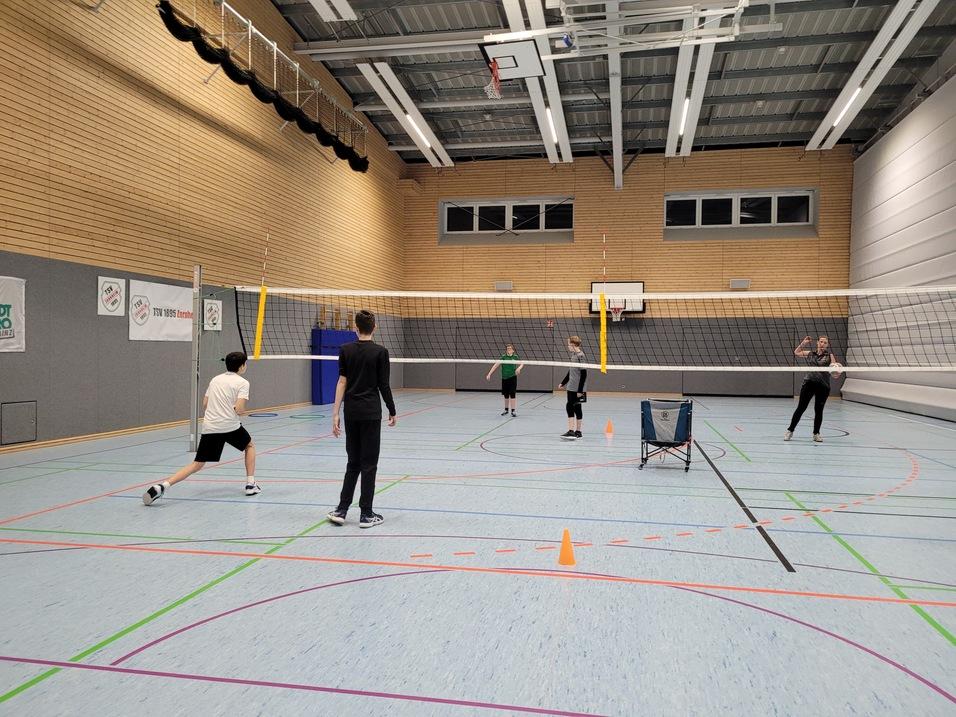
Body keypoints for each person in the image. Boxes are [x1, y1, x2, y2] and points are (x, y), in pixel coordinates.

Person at [143, 351, 257, 505]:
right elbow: (239, 409)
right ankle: (250, 484)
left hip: (210, 426)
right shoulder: (243, 383)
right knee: (249, 446)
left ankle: (162, 486)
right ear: (242, 366)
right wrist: (242, 411)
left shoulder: (215, 380)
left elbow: (205, 404)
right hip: (230, 426)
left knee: (197, 464)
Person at [327, 310, 396, 528]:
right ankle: (366, 514)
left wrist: (335, 412)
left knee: (352, 462)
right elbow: (383, 385)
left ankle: (341, 509)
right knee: (369, 464)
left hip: (352, 413)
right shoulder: (380, 352)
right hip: (371, 413)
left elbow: (341, 382)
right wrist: (392, 410)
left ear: (355, 328)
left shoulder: (345, 350)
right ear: (374, 327)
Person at [785, 335, 842, 443]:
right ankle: (790, 431)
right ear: (817, 343)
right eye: (821, 342)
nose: (822, 344)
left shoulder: (830, 356)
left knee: (819, 411)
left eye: (825, 342)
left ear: (827, 345)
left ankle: (816, 434)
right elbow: (796, 352)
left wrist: (836, 373)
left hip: (823, 386)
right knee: (800, 408)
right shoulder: (811, 354)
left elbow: (835, 370)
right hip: (809, 384)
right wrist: (804, 342)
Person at [558, 336, 587, 440]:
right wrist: (563, 382)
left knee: (572, 406)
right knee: (573, 407)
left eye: (569, 344)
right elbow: (571, 371)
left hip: (577, 388)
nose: (568, 346)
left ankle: (573, 431)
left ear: (573, 345)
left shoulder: (581, 356)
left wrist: (580, 390)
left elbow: (584, 374)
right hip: (571, 386)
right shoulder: (573, 355)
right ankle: (577, 432)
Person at [485, 343, 525, 416]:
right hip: (504, 378)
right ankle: (506, 410)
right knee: (506, 395)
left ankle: (513, 411)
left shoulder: (515, 357)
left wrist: (519, 368)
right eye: (507, 349)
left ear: (513, 350)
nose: (508, 350)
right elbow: (496, 365)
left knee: (512, 394)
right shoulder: (503, 357)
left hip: (512, 377)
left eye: (510, 349)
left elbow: (522, 363)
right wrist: (489, 373)